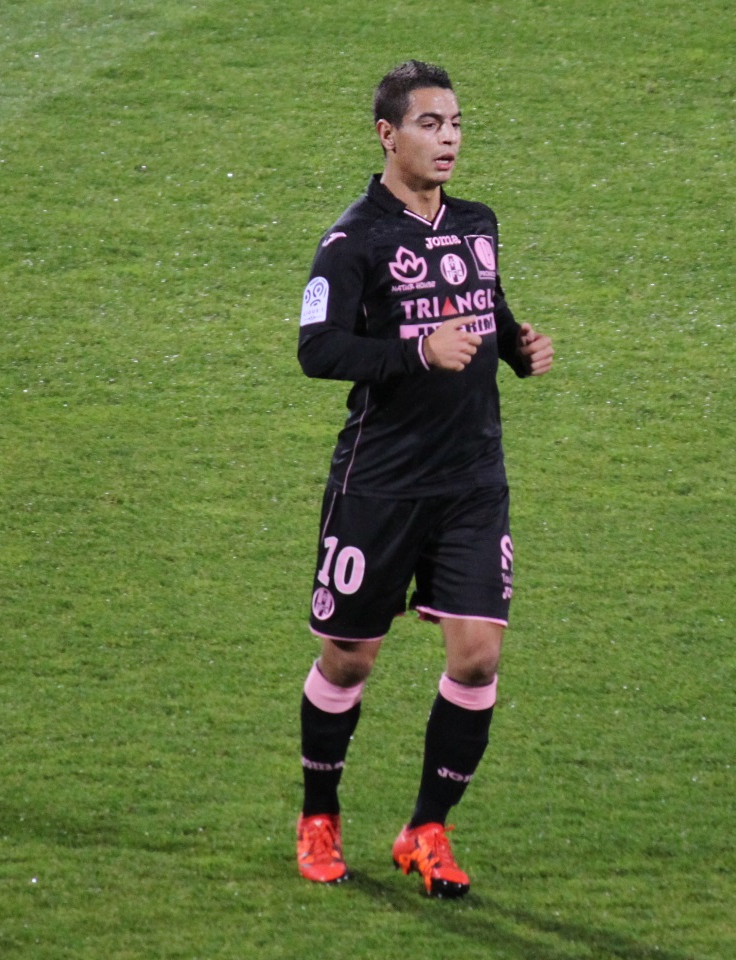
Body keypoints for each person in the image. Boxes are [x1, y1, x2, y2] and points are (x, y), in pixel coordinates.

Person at [291, 59, 554, 897]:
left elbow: (488, 305)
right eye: (431, 124)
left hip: (473, 480)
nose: (448, 139)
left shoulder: (478, 223)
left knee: (478, 660)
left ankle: (425, 831)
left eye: (456, 124)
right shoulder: (353, 240)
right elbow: (318, 349)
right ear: (387, 135)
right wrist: (416, 354)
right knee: (349, 660)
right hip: (381, 483)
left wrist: (516, 348)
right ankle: (319, 814)